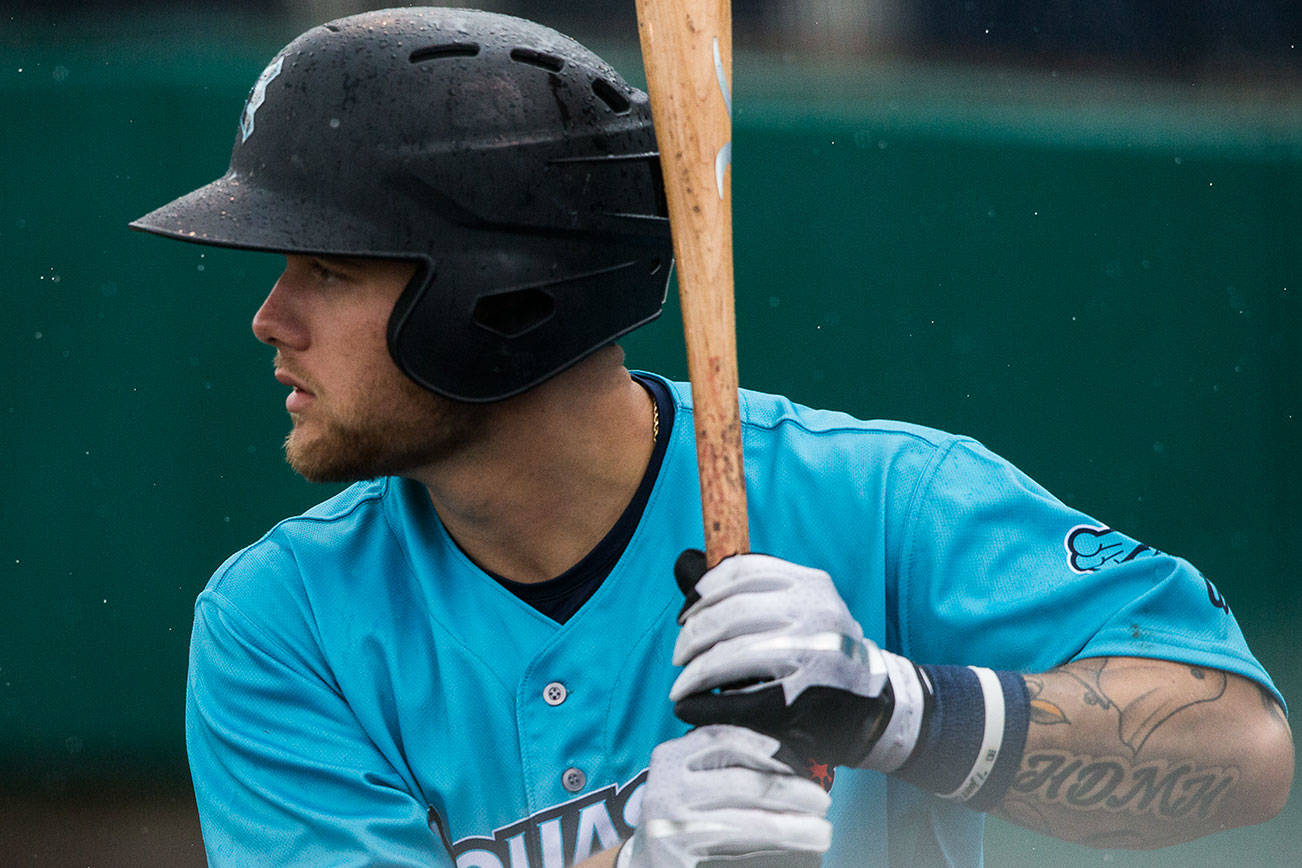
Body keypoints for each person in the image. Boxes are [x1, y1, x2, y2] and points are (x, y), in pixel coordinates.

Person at [132, 8, 1292, 867]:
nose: (269, 318)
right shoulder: (281, 627)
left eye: (327, 269)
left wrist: (900, 711)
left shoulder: (882, 499)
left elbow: (1245, 755)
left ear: (500, 296)